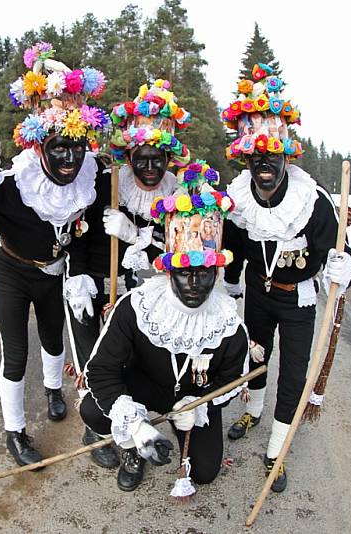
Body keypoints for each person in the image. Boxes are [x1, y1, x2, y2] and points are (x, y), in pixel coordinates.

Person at [0, 43, 109, 467]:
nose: (70, 158)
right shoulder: (11, 182)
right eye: (59, 147)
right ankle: (14, 432)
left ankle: (54, 389)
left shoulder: (89, 181)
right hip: (14, 272)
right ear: (40, 146)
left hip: (57, 274)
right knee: (16, 354)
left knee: (55, 339)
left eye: (77, 147)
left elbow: (94, 233)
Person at [221, 63, 351, 492]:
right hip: (259, 296)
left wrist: (345, 268)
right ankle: (254, 409)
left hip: (297, 299)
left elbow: (344, 254)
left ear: (286, 157)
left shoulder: (312, 201)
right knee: (257, 357)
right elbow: (234, 245)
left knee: (294, 374)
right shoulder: (240, 196)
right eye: (255, 157)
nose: (264, 166)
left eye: (272, 157)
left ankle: (277, 449)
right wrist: (229, 286)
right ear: (246, 158)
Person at [80, 168, 249, 492]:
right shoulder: (137, 306)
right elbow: (100, 371)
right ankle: (132, 450)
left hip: (192, 398)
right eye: (185, 272)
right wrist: (138, 428)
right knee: (93, 409)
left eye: (204, 272)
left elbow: (232, 380)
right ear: (169, 270)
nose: (195, 284)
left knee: (204, 472)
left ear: (216, 272)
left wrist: (201, 406)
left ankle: (180, 424)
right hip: (143, 388)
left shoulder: (228, 324)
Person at [63, 80, 192, 402]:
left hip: (140, 288)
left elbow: (176, 254)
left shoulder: (178, 195)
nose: (150, 168)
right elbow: (78, 232)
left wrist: (135, 236)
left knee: (126, 357)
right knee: (90, 356)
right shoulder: (108, 183)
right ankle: (93, 421)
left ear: (169, 157)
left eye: (158, 159)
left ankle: (125, 415)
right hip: (91, 283)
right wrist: (77, 273)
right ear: (129, 156)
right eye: (142, 159)